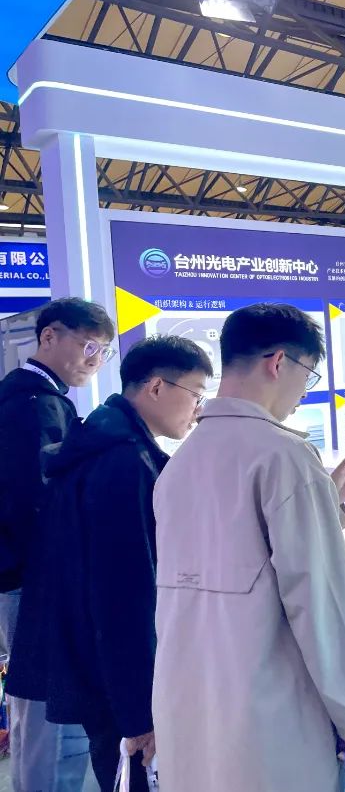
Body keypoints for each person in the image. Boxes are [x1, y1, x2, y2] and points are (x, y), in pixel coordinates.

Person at [152, 303, 345, 791]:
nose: (303, 392)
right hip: (271, 717)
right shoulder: (284, 454)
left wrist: (328, 498)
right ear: (280, 362)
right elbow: (321, 605)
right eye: (309, 375)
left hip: (191, 705)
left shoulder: (181, 460)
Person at [6, 336, 212, 792]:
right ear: (156, 387)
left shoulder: (104, 441)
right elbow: (124, 597)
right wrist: (141, 712)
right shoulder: (123, 463)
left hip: (98, 670)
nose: (198, 409)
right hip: (116, 680)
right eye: (196, 394)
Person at [0, 297, 115, 792]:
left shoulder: (31, 397)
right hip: (37, 581)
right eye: (88, 346)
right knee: (49, 713)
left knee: (37, 709)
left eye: (103, 351)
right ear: (49, 336)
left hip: (26, 576)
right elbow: (37, 504)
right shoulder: (33, 405)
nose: (94, 359)